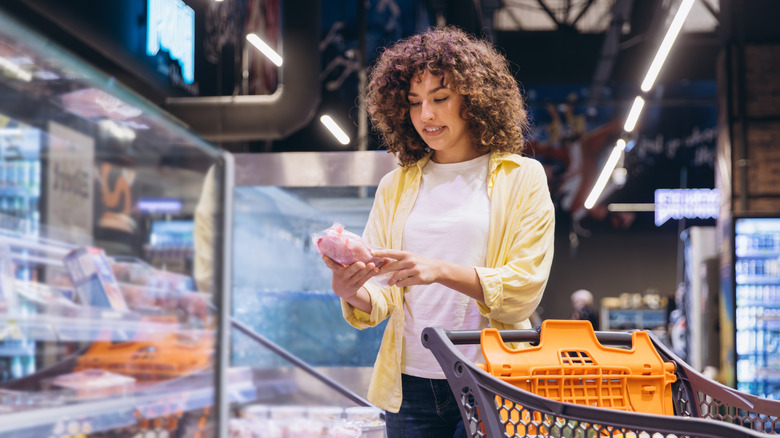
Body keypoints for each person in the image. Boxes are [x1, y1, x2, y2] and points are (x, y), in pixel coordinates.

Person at [320, 26, 555, 438]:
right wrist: (349, 288)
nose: (426, 115)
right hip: (410, 387)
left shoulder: (522, 178)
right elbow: (382, 295)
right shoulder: (396, 186)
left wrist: (439, 269)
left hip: (490, 379)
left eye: (440, 99)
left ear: (476, 100)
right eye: (414, 103)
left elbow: (523, 291)